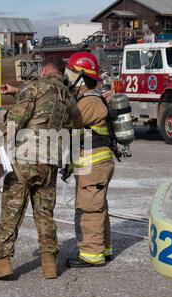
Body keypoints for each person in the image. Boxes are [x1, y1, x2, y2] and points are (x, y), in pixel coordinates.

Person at [0, 56, 76, 281]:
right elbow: (71, 124)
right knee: (44, 212)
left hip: (24, 160)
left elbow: (18, 117)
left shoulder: (35, 86)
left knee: (12, 211)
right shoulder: (68, 97)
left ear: (44, 70)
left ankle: (3, 262)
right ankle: (49, 264)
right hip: (50, 161)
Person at [65, 52, 115, 268]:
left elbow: (65, 123)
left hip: (93, 165)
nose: (67, 79)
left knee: (90, 208)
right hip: (94, 165)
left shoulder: (89, 102)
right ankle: (103, 248)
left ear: (82, 77)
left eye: (71, 74)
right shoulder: (88, 99)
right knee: (97, 205)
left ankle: (91, 254)